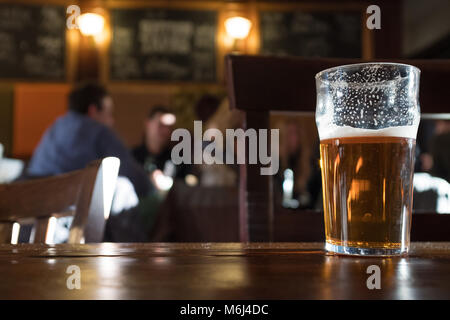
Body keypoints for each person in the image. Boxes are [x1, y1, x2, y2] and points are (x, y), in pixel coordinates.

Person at [26, 82, 151, 197]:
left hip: (33, 201)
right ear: (93, 110)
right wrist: (153, 189)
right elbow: (131, 174)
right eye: (108, 113)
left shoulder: (56, 125)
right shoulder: (98, 131)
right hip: (69, 207)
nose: (111, 121)